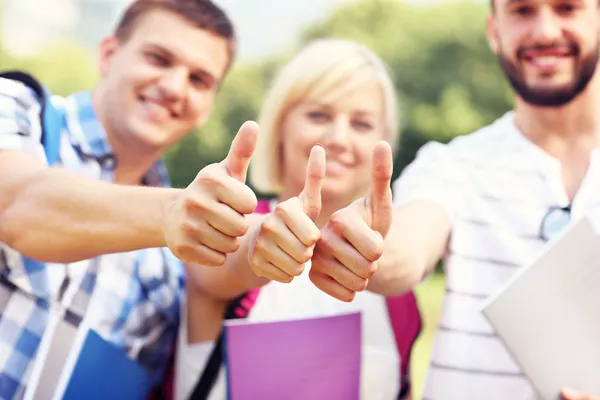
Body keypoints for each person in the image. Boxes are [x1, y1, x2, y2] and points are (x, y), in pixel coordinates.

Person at [295, 0, 600, 399]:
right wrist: (369, 252)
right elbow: (406, 249)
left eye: (567, 8)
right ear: (494, 31)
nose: (544, 31)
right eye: (522, 10)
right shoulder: (451, 165)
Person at [0, 0, 262, 398]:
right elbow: (16, 203)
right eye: (159, 58)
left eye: (199, 80)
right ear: (108, 54)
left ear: (209, 106)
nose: (175, 87)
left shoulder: (174, 264)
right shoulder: (18, 108)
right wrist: (172, 213)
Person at [176, 38, 422, 400]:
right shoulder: (228, 227)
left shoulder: (391, 285)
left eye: (362, 123)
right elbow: (219, 268)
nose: (339, 139)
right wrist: (259, 241)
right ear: (281, 126)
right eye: (318, 115)